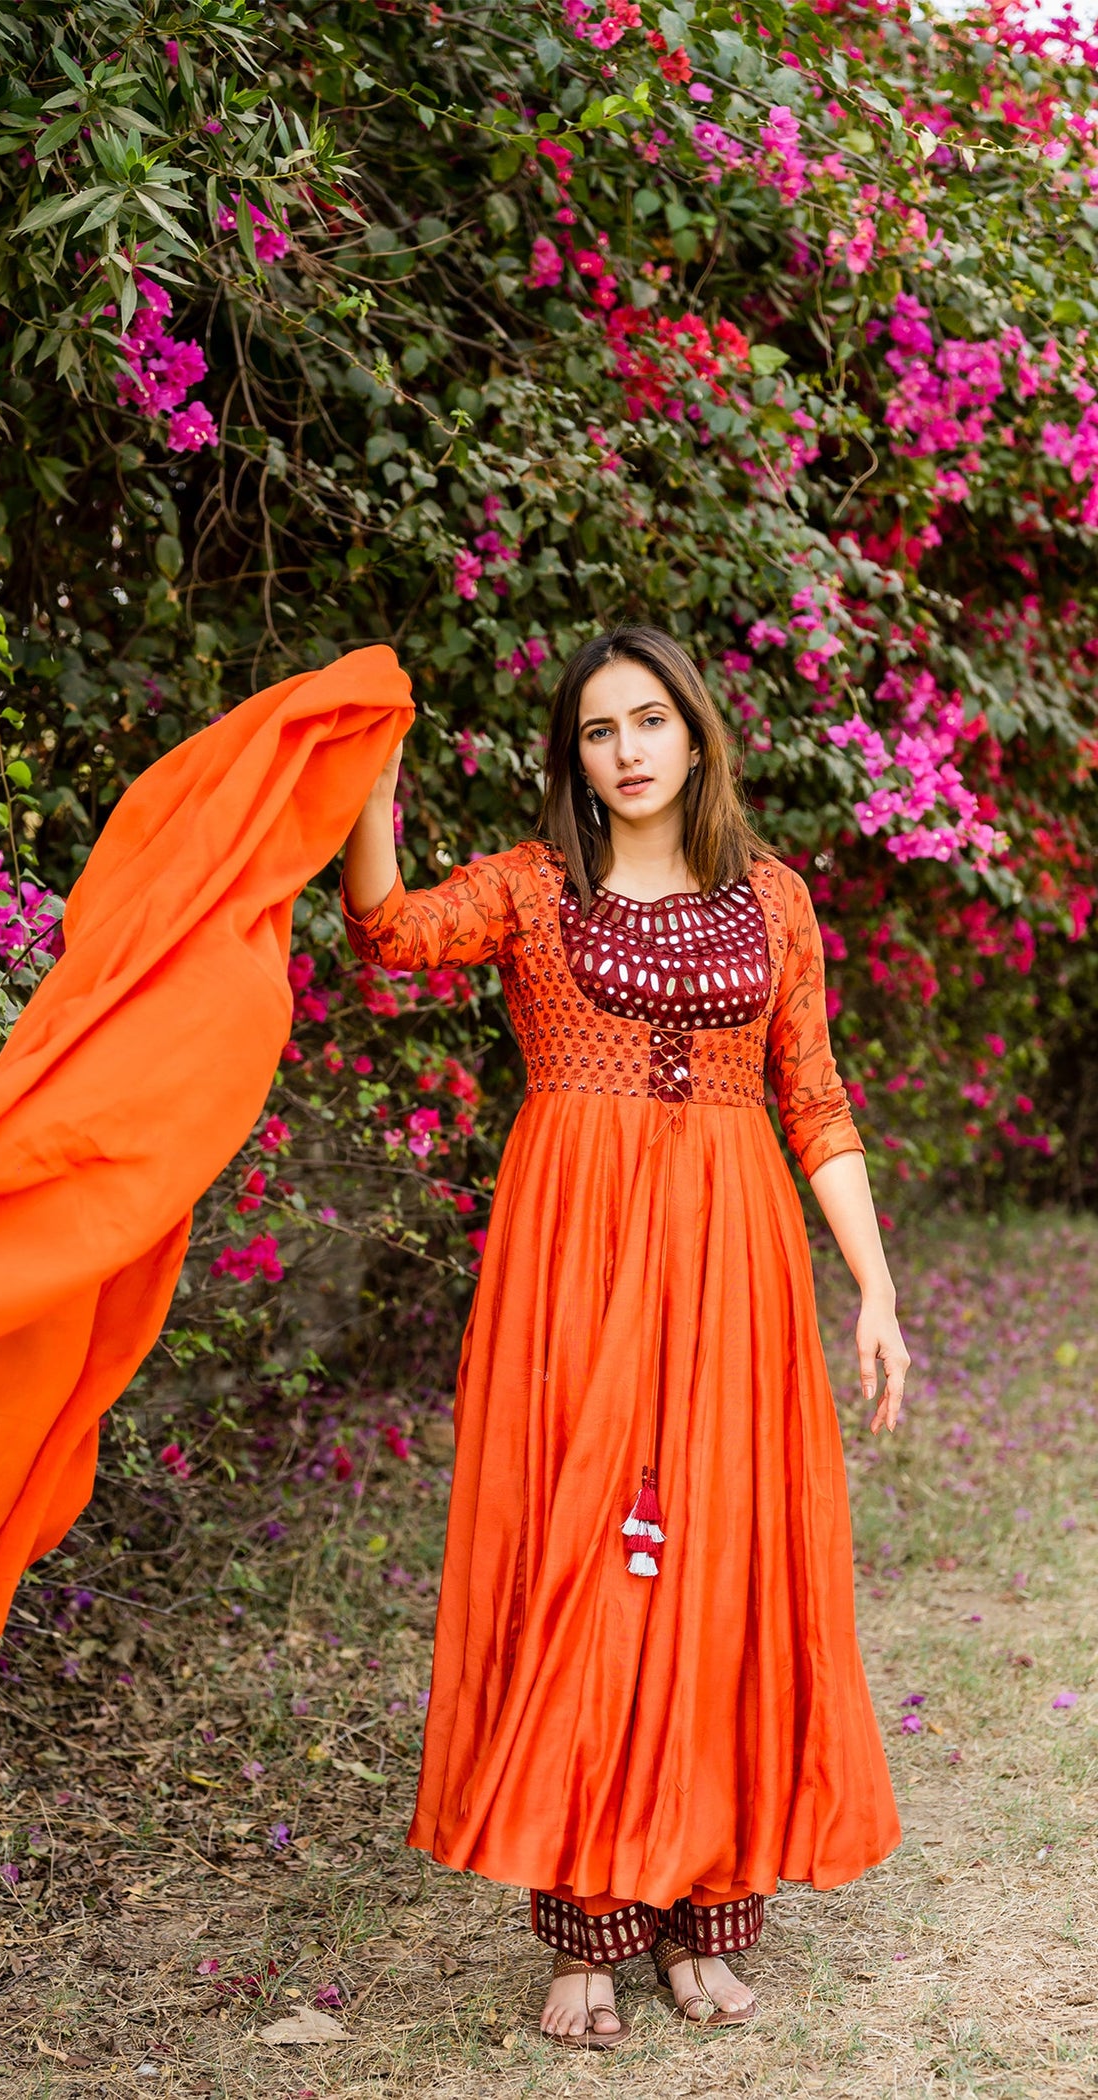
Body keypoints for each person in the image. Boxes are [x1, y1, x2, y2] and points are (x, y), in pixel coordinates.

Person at [340, 624, 908, 2045]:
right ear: (574, 759)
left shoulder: (773, 902)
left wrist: (878, 1292)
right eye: (601, 730)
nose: (631, 749)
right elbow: (393, 933)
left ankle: (705, 1913)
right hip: (575, 1263)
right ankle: (588, 1928)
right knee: (585, 1557)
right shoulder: (534, 891)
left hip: (735, 1263)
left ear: (698, 734)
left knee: (716, 1559)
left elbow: (817, 1102)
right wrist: (369, 780)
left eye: (651, 720)